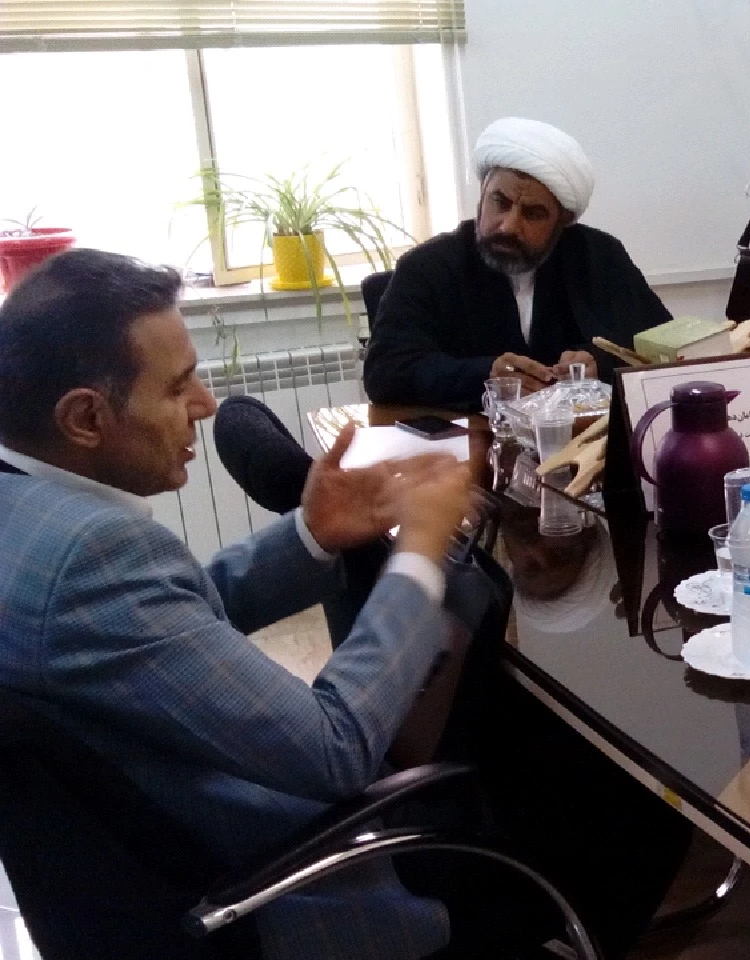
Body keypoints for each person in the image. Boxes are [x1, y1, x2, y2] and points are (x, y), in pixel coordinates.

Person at [0, 250, 473, 960]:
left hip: (150, 867)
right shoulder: (92, 556)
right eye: (178, 386)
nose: (206, 404)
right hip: (267, 893)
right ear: (85, 417)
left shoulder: (28, 517)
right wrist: (421, 554)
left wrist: (312, 535)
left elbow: (160, 627)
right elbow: (336, 748)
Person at [363, 116, 671, 411]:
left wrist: (598, 363)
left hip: (581, 439)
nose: (508, 226)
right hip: (471, 439)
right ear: (482, 194)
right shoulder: (428, 266)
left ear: (562, 222)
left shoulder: (599, 256)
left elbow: (662, 349)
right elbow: (385, 373)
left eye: (533, 214)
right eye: (500, 202)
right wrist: (486, 374)